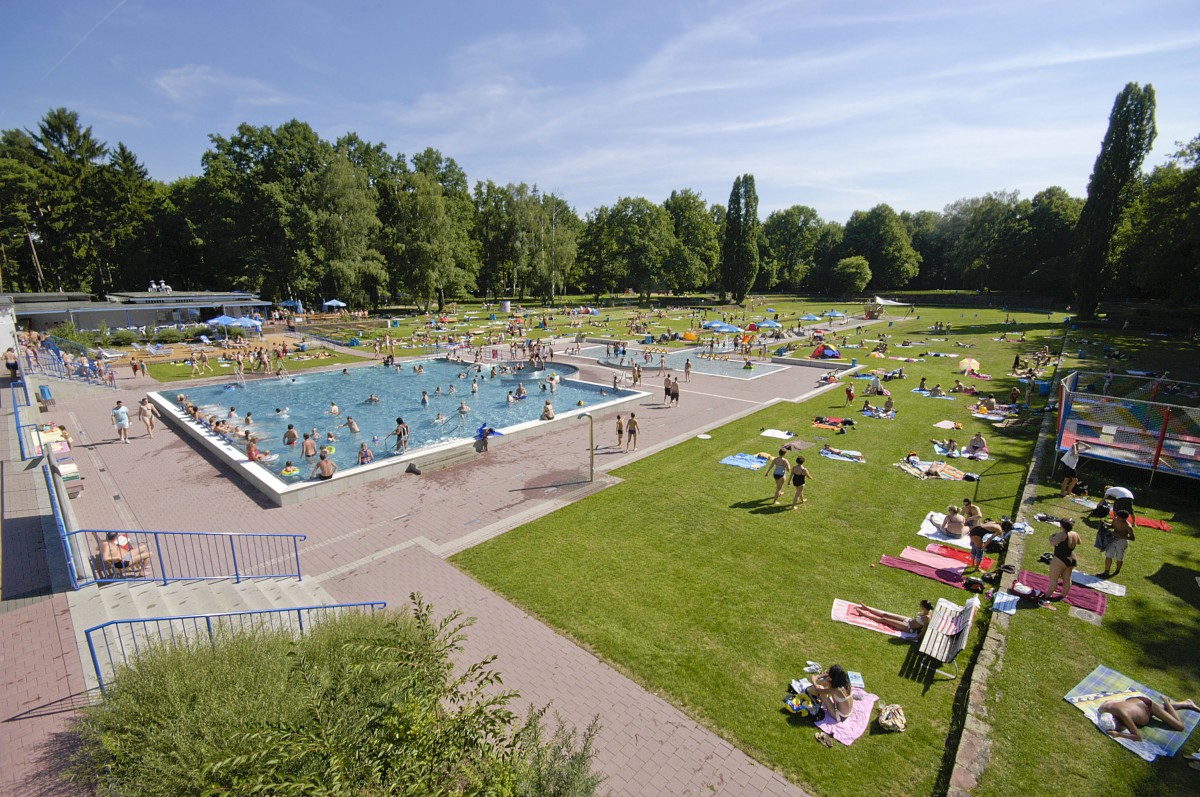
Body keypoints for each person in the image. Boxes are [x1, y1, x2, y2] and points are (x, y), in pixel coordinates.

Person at [1098, 696, 1199, 742]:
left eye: (1115, 727)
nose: (1116, 728)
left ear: (1115, 719)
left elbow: (1138, 737)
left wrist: (1119, 734)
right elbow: (1109, 700)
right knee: (1161, 709)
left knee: (1179, 726)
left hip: (1149, 707)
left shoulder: (1124, 716)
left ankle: (1166, 701)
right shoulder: (1104, 708)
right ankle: (1187, 703)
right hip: (1136, 700)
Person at [857, 600, 934, 637]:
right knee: (885, 614)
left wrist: (914, 638)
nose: (919, 607)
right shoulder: (928, 610)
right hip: (908, 620)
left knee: (884, 619)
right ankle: (866, 608)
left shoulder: (927, 617)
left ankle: (863, 614)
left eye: (920, 606)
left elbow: (923, 630)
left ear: (924, 607)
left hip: (908, 627)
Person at [1046, 519, 1080, 600]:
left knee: (1054, 578)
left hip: (1060, 558)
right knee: (1067, 579)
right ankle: (1063, 595)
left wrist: (1051, 536)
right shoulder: (1075, 534)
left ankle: (1047, 595)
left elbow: (1052, 542)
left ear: (1061, 526)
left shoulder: (1062, 534)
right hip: (1071, 558)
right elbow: (1079, 542)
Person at [1101, 510, 1135, 578]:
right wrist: (1105, 524)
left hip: (1122, 541)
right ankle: (1106, 572)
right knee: (1109, 554)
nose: (1117, 517)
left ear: (1124, 518)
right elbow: (1113, 526)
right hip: (1113, 539)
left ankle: (1117, 570)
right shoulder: (1116, 519)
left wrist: (1121, 536)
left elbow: (1132, 538)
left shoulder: (1128, 526)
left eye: (1119, 517)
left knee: (1119, 557)